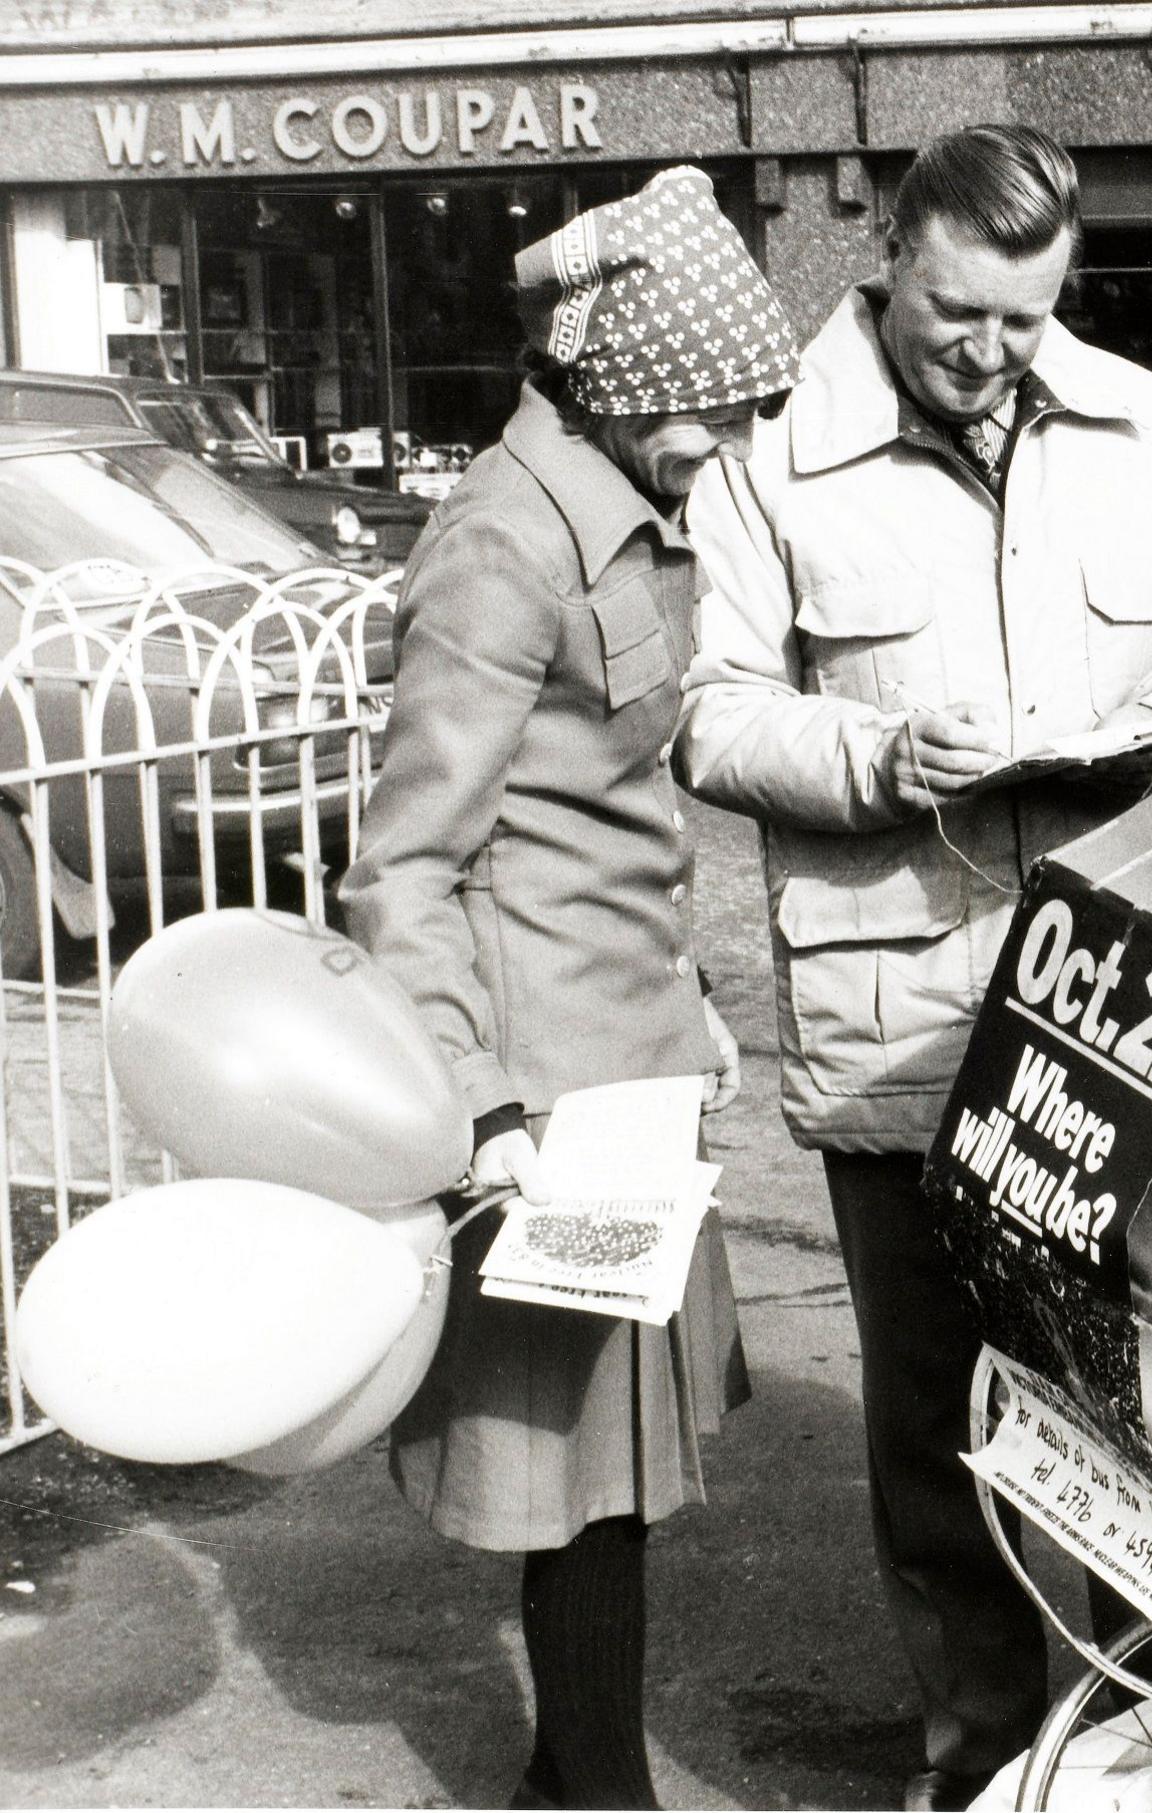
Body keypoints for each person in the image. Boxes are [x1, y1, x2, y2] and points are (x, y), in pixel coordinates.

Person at [675, 123, 1152, 1810]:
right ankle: (984, 1765)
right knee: (945, 1439)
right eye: (958, 312)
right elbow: (709, 714)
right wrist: (882, 759)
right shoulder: (771, 460)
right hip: (906, 1031)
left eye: (1027, 319)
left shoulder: (1150, 428)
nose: (990, 352)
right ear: (890, 250)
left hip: (1124, 1014)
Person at [342, 165, 798, 1809]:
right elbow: (409, 859)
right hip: (547, 1100)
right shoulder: (500, 542)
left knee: (616, 1480)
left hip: (627, 1069)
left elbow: (605, 817)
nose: (727, 451)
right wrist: (476, 1099)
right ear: (627, 385)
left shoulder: (615, 506)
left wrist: (689, 1002)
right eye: (713, 418)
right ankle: (598, 1790)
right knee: (576, 1475)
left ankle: (571, 1774)